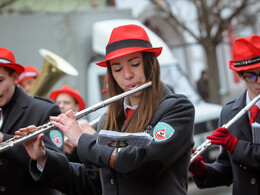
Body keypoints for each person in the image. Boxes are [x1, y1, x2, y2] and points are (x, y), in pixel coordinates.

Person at [18, 24, 195, 195]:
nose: (127, 75)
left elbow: (143, 164)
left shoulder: (176, 108)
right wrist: (44, 159)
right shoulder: (107, 121)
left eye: (134, 64)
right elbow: (96, 183)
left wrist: (82, 140)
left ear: (150, 64)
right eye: (117, 69)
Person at [189, 34, 260, 195]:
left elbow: (240, 151)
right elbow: (227, 170)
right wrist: (201, 170)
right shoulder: (229, 112)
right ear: (241, 75)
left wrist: (236, 146)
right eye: (251, 75)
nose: (259, 81)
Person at [0, 47, 64, 195]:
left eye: (0, 80)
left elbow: (57, 164)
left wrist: (3, 139)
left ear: (15, 78)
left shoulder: (45, 110)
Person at [49, 85, 96, 162]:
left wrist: (73, 152)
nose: (61, 106)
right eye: (58, 103)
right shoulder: (51, 127)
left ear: (77, 107)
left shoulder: (86, 127)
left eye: (66, 103)